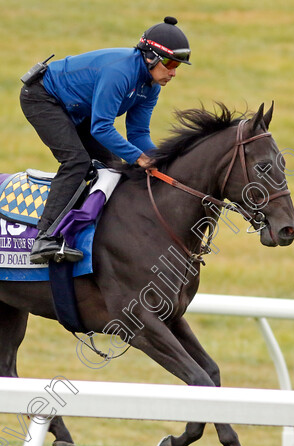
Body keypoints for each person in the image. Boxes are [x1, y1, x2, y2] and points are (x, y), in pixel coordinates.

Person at [20, 16, 191, 264]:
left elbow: (139, 134)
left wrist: (162, 162)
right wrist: (140, 158)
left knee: (112, 168)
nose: (174, 72)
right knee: (77, 161)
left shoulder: (151, 86)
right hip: (43, 97)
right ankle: (45, 237)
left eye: (178, 66)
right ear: (150, 56)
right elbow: (101, 128)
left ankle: (90, 232)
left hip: (77, 109)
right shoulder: (119, 73)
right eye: (170, 63)